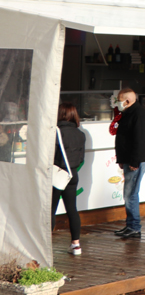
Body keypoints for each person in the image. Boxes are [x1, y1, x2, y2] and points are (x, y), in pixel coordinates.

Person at [113, 87, 145, 240]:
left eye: (119, 100)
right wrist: (122, 159)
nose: (117, 103)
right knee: (129, 193)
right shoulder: (129, 113)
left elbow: (140, 139)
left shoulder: (138, 114)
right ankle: (131, 225)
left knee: (130, 194)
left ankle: (134, 227)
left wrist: (134, 160)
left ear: (127, 101)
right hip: (130, 158)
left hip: (136, 160)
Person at [52, 103, 86, 256]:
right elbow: (80, 158)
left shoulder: (56, 132)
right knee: (72, 209)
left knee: (50, 210)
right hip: (72, 174)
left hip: (56, 175)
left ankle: (46, 246)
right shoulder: (80, 134)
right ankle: (76, 245)